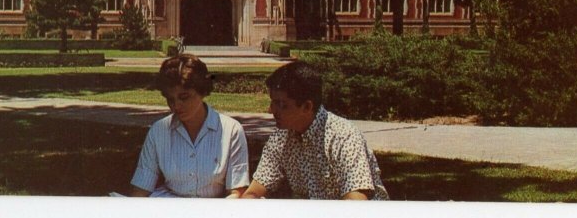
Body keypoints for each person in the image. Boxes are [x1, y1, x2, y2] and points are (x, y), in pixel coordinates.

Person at [241, 61, 389, 200]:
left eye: (281, 104)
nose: (271, 110)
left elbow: (357, 203)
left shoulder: (344, 137)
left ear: (307, 107)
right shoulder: (281, 138)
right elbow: (254, 191)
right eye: (272, 102)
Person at [129, 54, 250, 198]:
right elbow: (141, 189)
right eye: (170, 99)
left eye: (184, 97)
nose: (176, 106)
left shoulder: (231, 130)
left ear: (202, 91)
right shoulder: (158, 131)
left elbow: (237, 192)